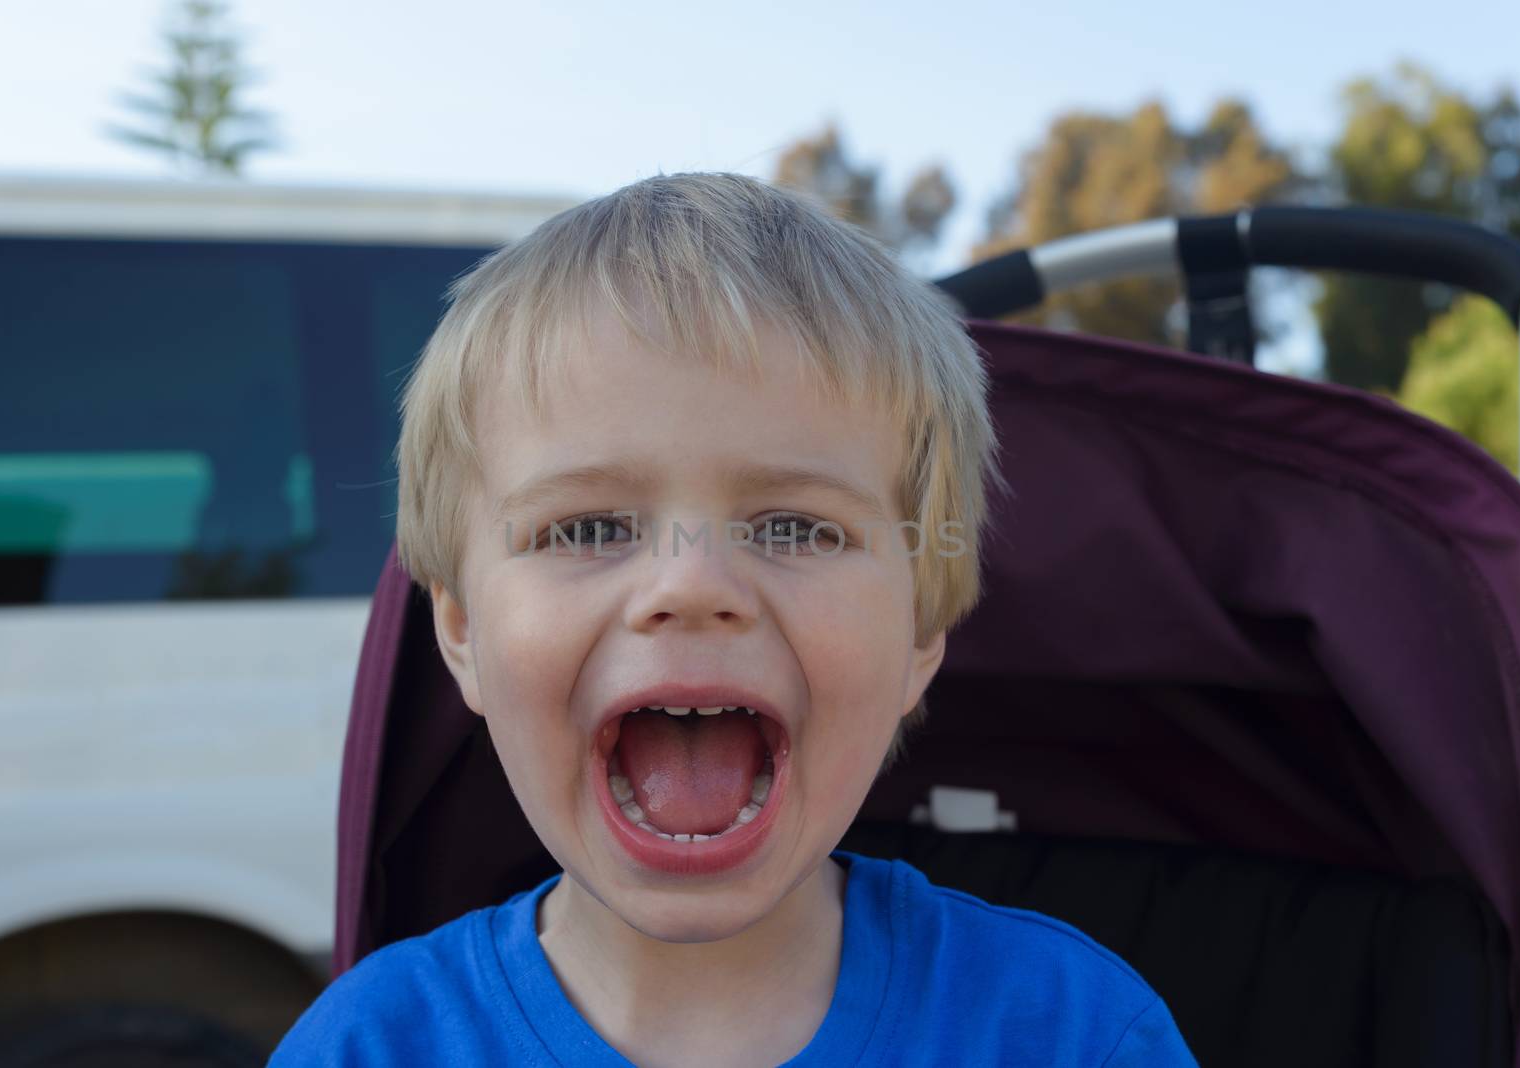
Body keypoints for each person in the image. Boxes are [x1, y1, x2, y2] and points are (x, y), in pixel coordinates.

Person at [269, 172, 1198, 1067]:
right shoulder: (367, 1046)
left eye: (794, 526)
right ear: (463, 630)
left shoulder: (1069, 1033)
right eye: (589, 526)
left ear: (919, 631)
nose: (691, 582)